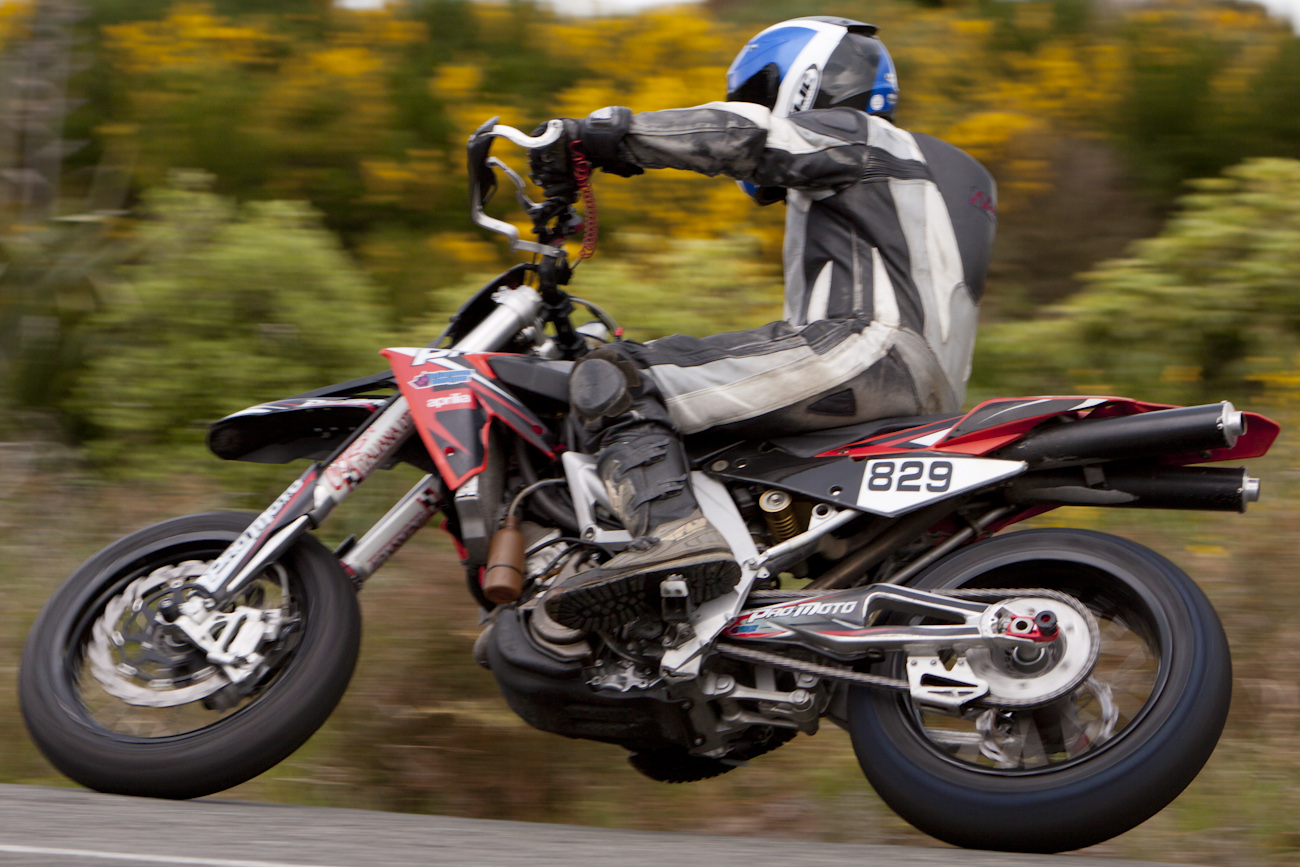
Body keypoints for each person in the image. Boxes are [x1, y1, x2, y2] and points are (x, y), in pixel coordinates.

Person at [528, 16, 997, 634]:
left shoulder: (865, 138)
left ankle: (673, 539)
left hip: (863, 350)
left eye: (751, 92)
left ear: (804, 80)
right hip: (922, 393)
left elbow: (746, 134)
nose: (744, 105)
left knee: (618, 374)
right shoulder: (934, 177)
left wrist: (601, 136)